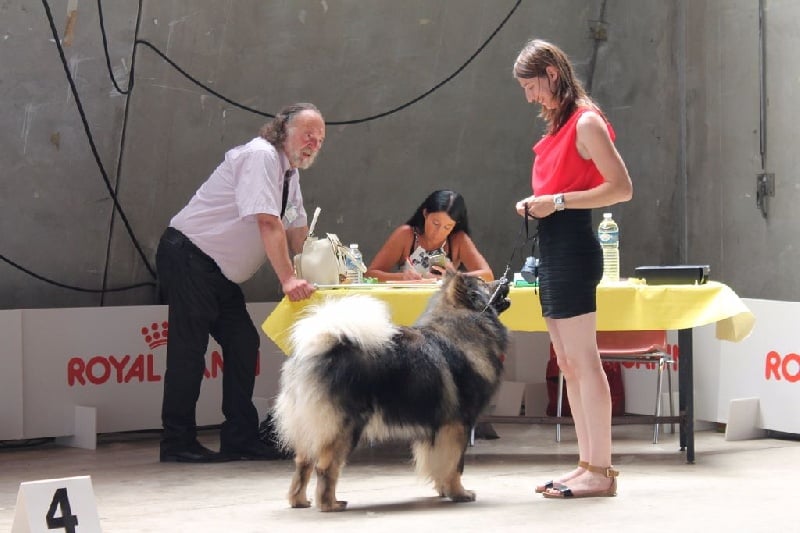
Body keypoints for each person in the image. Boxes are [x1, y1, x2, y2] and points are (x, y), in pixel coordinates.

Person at [155, 103, 325, 463]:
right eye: (308, 134)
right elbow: (268, 222)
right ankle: (177, 442)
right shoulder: (260, 156)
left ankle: (239, 437)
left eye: (320, 139)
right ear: (283, 130)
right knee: (189, 351)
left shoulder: (290, 175)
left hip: (218, 272)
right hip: (190, 257)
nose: (314, 143)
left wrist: (323, 271)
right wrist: (288, 279)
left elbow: (297, 233)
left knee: (244, 343)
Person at [512, 39, 633, 497]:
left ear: (552, 74)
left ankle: (601, 472)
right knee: (567, 362)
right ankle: (587, 464)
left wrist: (557, 202)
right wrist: (539, 204)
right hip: (552, 247)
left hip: (575, 247)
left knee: (584, 361)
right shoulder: (563, 125)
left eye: (532, 86)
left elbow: (621, 188)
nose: (530, 97)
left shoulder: (585, 121)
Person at [365, 189, 493, 282]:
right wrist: (401, 277)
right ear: (425, 214)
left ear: (455, 225)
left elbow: (487, 276)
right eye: (435, 223)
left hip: (443, 306)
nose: (439, 232)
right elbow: (370, 275)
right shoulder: (406, 235)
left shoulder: (458, 239)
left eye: (447, 227)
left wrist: (456, 277)